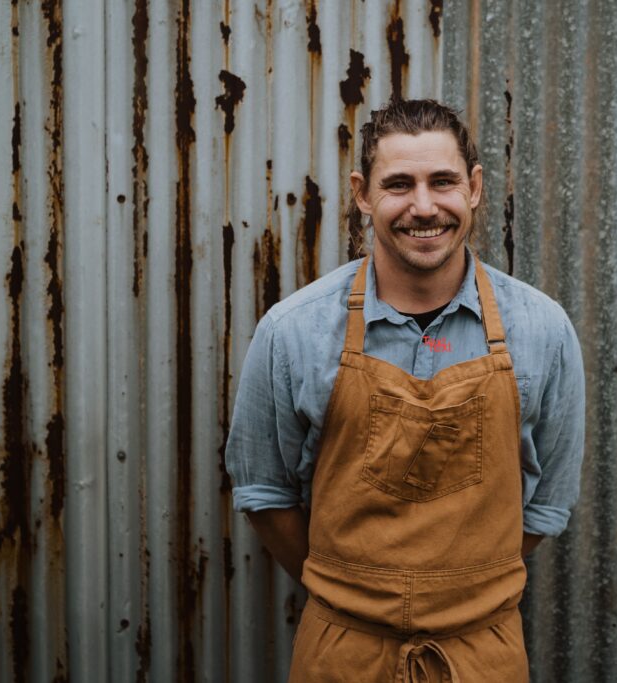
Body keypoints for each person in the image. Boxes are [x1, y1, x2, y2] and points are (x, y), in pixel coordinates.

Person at [225, 98, 585, 681]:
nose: (423, 207)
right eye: (399, 185)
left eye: (442, 181)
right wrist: (359, 595)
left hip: (483, 655)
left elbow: (546, 507)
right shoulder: (293, 331)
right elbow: (264, 494)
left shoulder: (542, 330)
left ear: (473, 188)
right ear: (363, 194)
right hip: (341, 654)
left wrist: (461, 590)